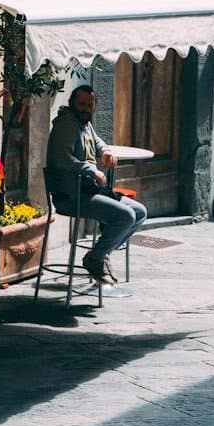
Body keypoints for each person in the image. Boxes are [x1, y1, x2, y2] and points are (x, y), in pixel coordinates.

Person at [46, 84, 147, 284]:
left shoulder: (84, 124)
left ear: (94, 107)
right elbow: (62, 159)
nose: (85, 108)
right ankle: (96, 258)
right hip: (71, 195)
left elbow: (97, 141)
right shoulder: (66, 124)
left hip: (89, 191)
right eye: (81, 104)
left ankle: (100, 254)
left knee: (140, 212)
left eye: (89, 105)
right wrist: (92, 170)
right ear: (72, 104)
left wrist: (106, 151)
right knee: (125, 216)